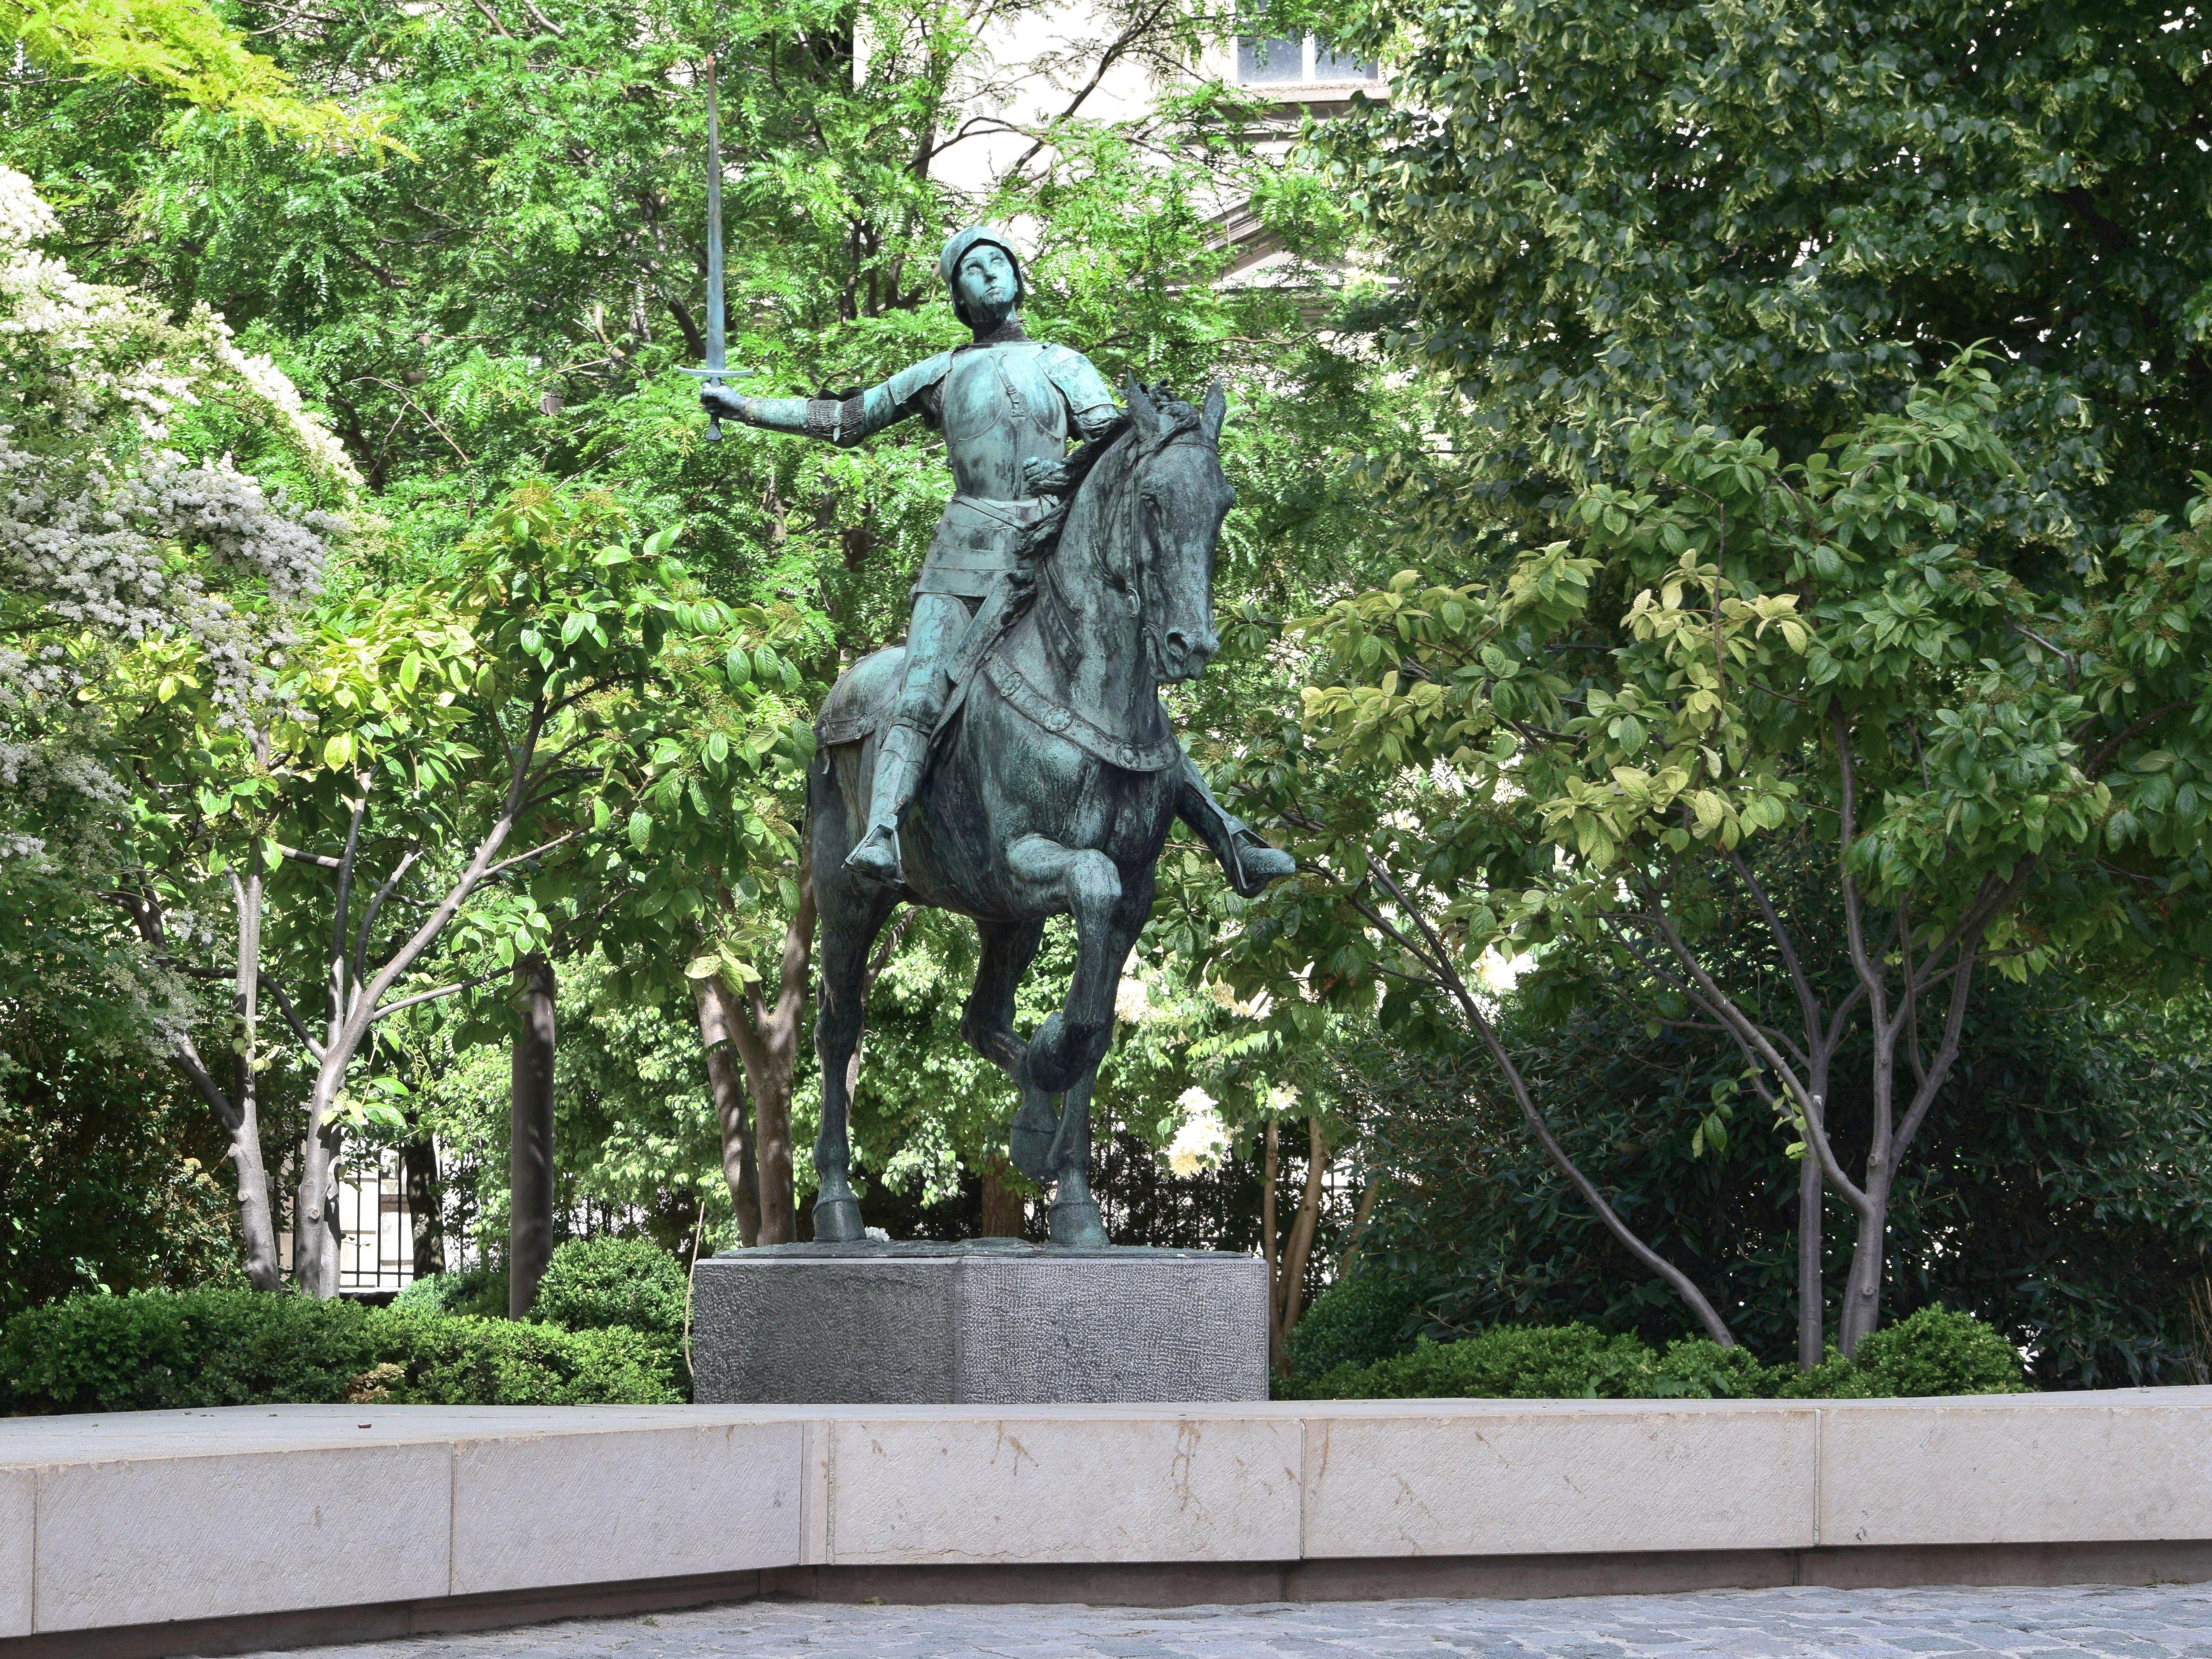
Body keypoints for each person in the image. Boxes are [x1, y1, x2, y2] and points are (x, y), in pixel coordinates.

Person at [701, 226, 1294, 895]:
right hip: (962, 561)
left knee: (1126, 701)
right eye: (972, 270)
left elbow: (1113, 446)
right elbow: (847, 418)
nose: (988, 275)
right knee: (922, 688)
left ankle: (1228, 835)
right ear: (957, 295)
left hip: (1049, 560)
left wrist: (1065, 472)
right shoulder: (944, 370)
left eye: (997, 263)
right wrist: (747, 408)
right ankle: (884, 829)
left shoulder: (1063, 363)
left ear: (1016, 277)